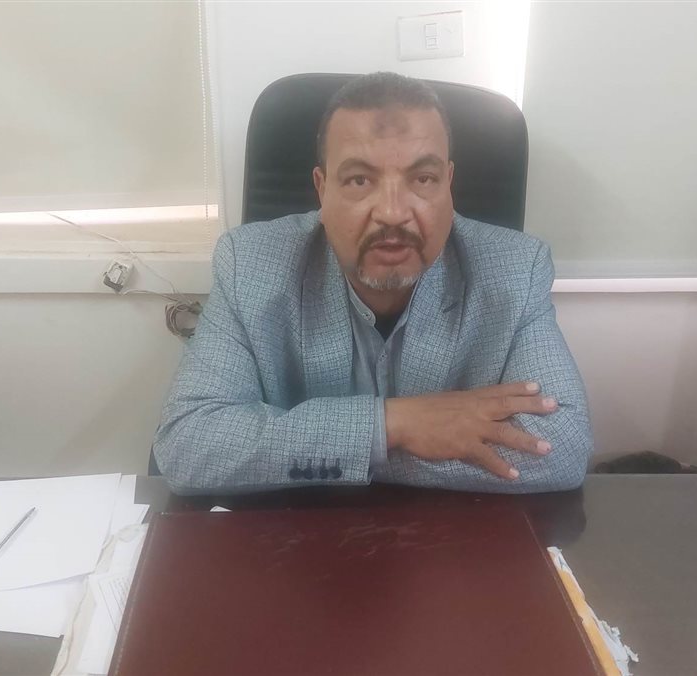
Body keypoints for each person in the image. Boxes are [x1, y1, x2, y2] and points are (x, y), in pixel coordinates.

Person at [153, 71, 593, 494]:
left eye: (423, 179)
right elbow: (189, 443)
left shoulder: (515, 269)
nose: (393, 213)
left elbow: (563, 448)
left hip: (450, 538)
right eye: (360, 180)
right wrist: (393, 426)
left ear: (448, 184)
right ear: (322, 189)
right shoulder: (250, 264)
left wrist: (331, 452)